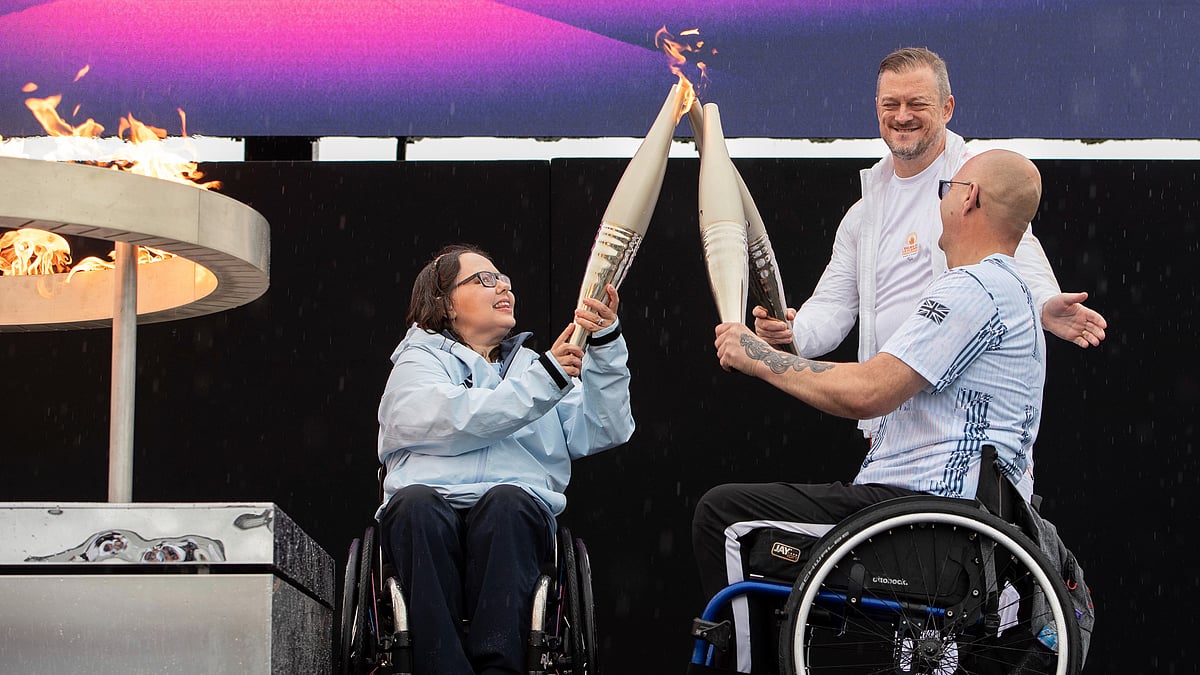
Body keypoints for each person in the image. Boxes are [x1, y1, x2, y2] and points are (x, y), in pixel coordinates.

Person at [697, 149, 1051, 674]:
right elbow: (839, 324)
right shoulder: (1005, 290)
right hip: (948, 527)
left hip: (927, 526)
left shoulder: (976, 288)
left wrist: (760, 359)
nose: (940, 199)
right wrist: (789, 341)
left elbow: (870, 390)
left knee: (724, 517)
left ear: (969, 197)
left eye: (947, 188)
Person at [754, 47, 1107, 439]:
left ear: (946, 108)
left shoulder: (974, 181)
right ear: (877, 108)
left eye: (916, 103)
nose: (902, 116)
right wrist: (792, 333)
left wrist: (1043, 303)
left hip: (962, 427)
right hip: (890, 430)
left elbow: (1015, 242)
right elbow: (833, 306)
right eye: (891, 103)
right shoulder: (863, 214)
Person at [375, 243, 635, 675]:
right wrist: (546, 379)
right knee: (417, 505)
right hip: (428, 506)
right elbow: (456, 419)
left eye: (505, 279)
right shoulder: (415, 363)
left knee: (508, 503)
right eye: (484, 279)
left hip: (513, 512)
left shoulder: (532, 366)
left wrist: (605, 344)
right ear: (443, 302)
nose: (504, 287)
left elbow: (606, 427)